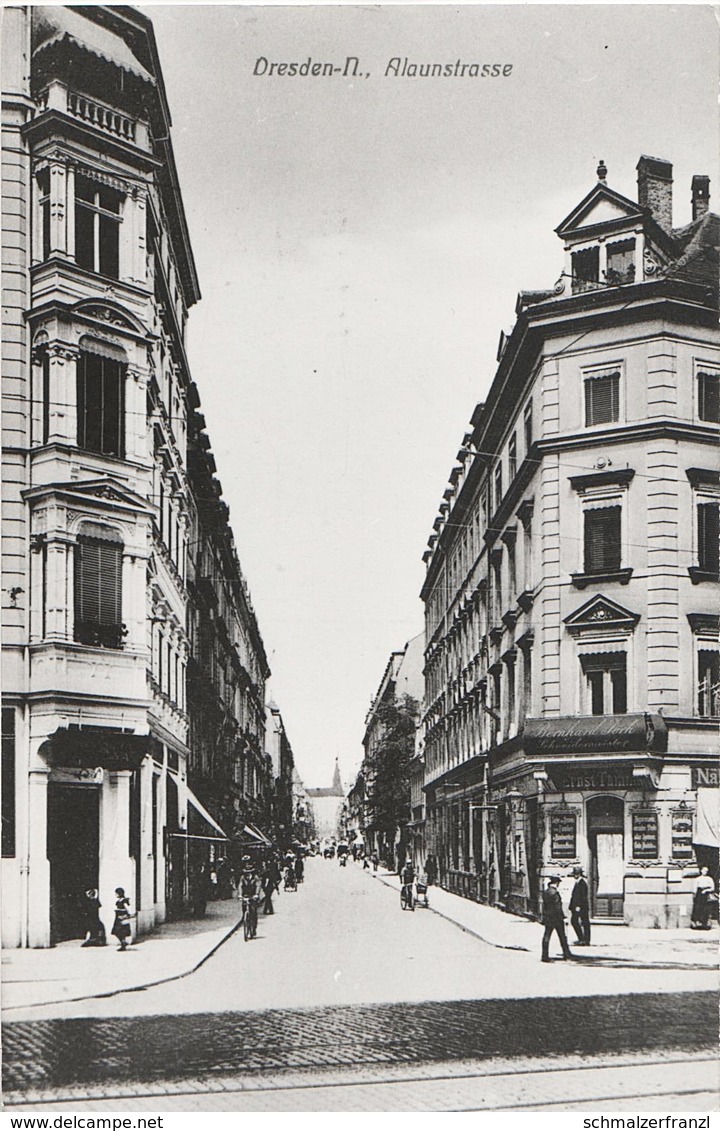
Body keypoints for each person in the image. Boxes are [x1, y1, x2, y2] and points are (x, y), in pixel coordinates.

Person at [541, 876, 572, 962]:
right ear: (556, 883)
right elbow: (558, 907)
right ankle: (567, 954)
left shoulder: (546, 892)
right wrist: (563, 917)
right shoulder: (555, 893)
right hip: (557, 918)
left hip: (548, 917)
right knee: (562, 936)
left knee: (546, 936)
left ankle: (544, 956)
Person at [569, 866, 591, 945]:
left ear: (579, 874)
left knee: (583, 922)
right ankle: (582, 939)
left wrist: (579, 906)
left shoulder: (582, 883)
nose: (575, 876)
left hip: (581, 907)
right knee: (577, 921)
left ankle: (585, 940)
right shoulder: (578, 882)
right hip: (577, 907)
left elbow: (582, 897)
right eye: (575, 874)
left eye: (577, 874)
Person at [111, 887, 132, 951]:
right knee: (116, 931)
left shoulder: (124, 900)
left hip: (122, 918)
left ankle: (123, 944)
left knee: (122, 931)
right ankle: (123, 942)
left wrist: (123, 913)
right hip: (117, 918)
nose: (115, 895)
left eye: (116, 893)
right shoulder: (118, 901)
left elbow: (128, 909)